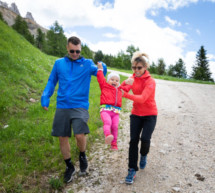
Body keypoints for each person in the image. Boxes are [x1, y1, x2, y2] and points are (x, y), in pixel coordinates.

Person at [41, 36, 107, 183]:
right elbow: (52, 81)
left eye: (77, 51)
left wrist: (103, 67)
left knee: (79, 135)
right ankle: (69, 166)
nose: (75, 54)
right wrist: (46, 95)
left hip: (80, 105)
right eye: (72, 51)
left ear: (81, 49)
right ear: (67, 48)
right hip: (62, 105)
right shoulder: (59, 64)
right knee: (62, 137)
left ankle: (82, 155)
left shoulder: (87, 64)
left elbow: (100, 73)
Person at [120, 51, 158, 184]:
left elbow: (142, 99)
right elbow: (119, 89)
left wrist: (125, 95)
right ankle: (132, 169)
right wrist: (125, 83)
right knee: (133, 141)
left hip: (150, 115)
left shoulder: (151, 81)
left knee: (145, 139)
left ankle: (143, 155)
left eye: (139, 68)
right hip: (136, 114)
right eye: (134, 68)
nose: (136, 70)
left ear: (145, 67)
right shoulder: (132, 78)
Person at [97, 63, 131, 150]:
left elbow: (127, 88)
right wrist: (100, 69)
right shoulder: (104, 86)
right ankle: (108, 135)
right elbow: (100, 78)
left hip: (116, 112)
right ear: (108, 80)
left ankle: (114, 144)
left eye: (116, 81)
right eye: (112, 79)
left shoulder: (119, 89)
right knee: (107, 122)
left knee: (115, 126)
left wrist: (130, 82)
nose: (114, 82)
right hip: (105, 110)